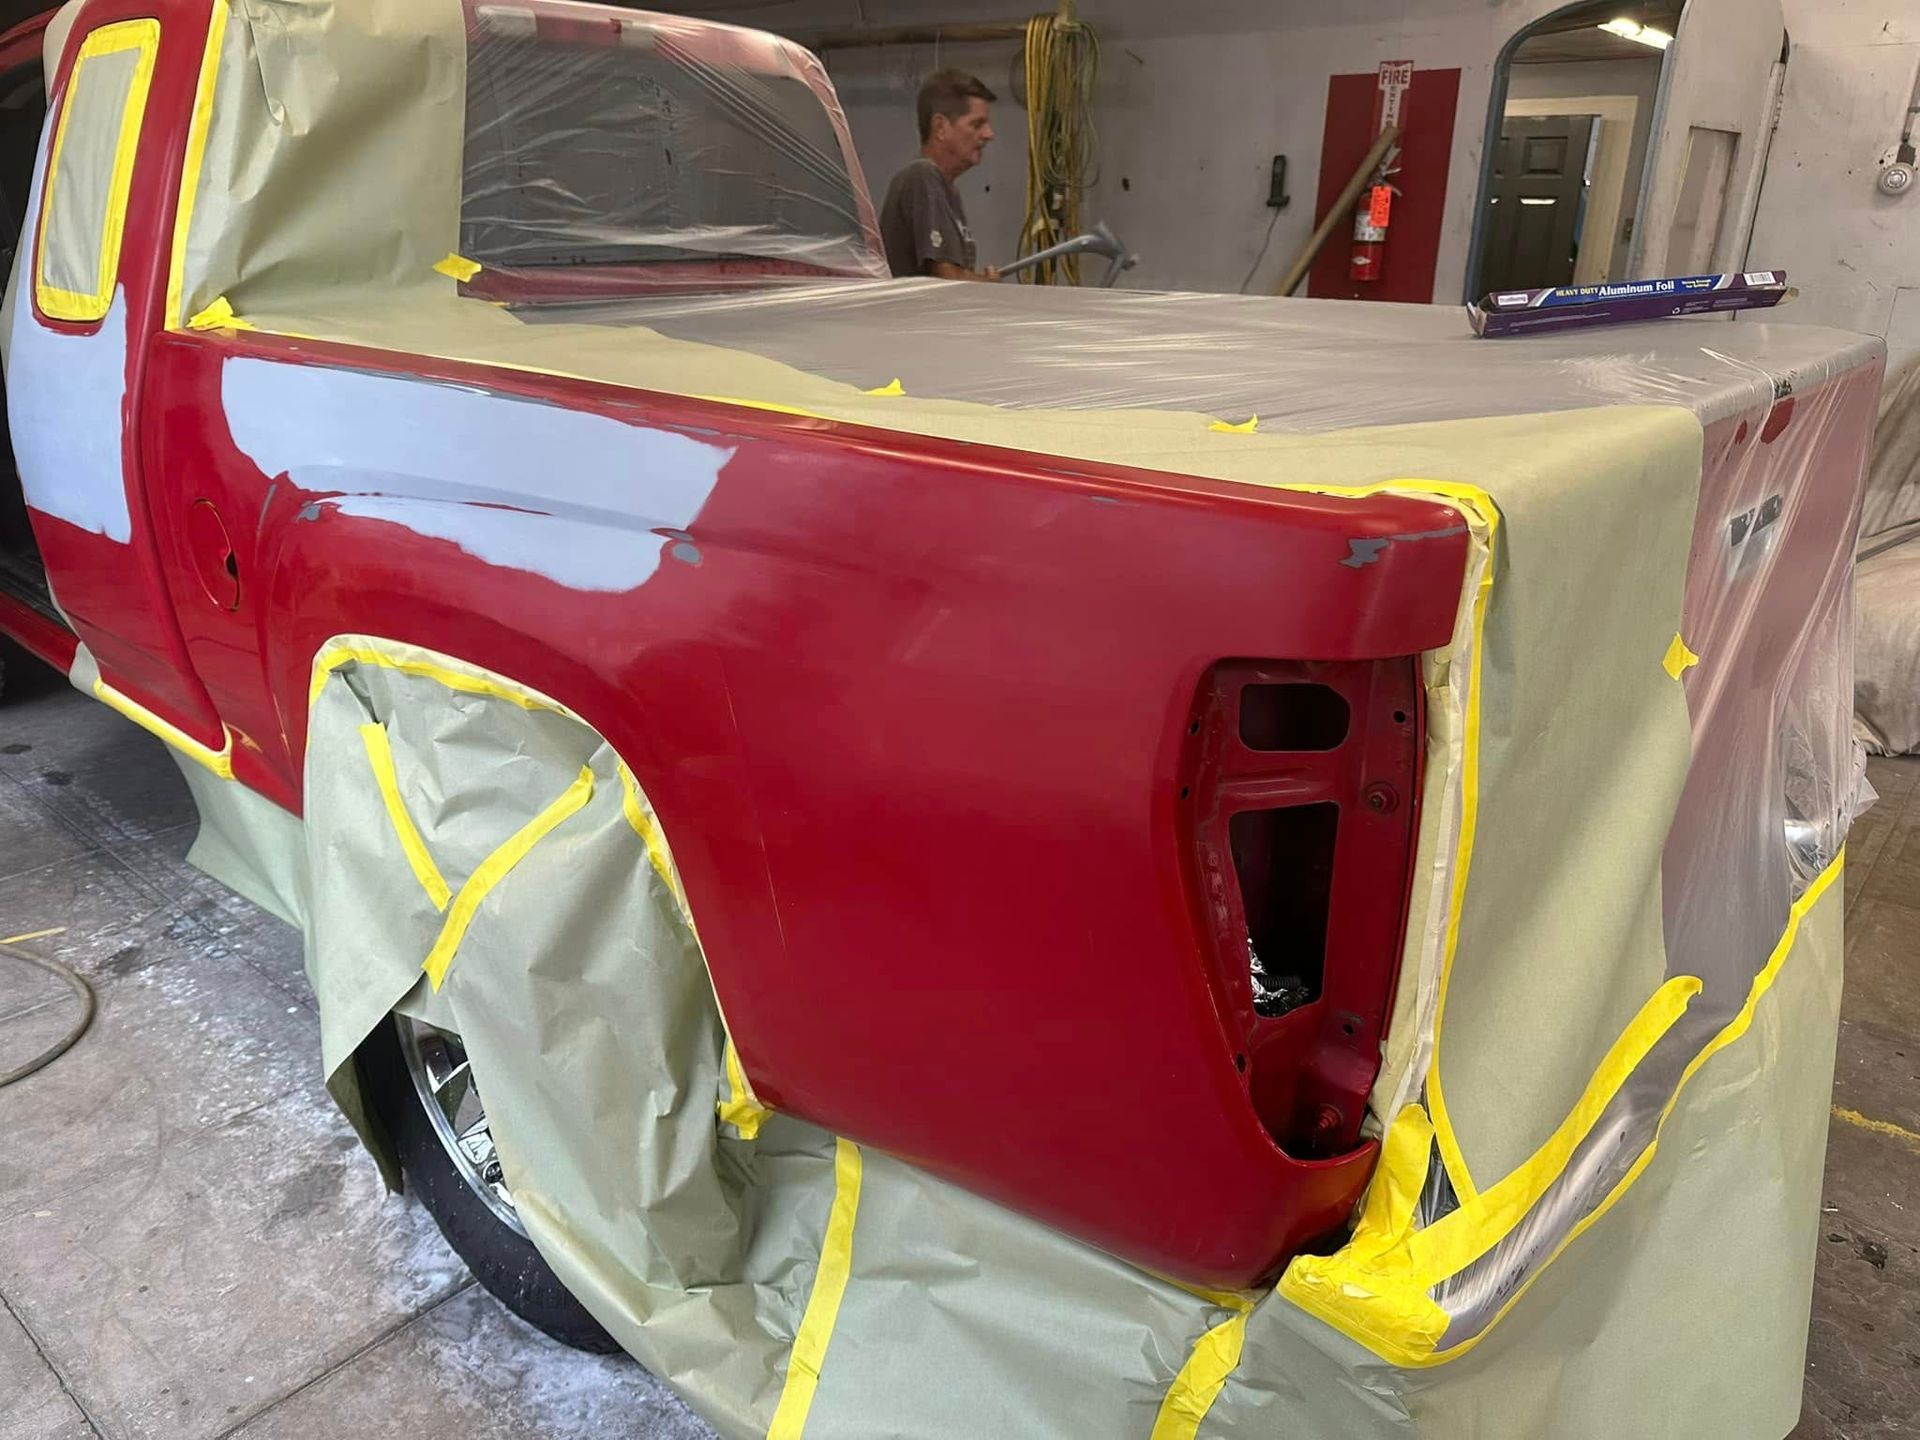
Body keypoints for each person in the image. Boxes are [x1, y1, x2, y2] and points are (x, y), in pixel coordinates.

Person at [879, 70, 1000, 282]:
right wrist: (987, 284)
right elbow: (948, 282)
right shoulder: (923, 177)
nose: (989, 134)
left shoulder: (946, 188)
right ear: (940, 127)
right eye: (977, 124)